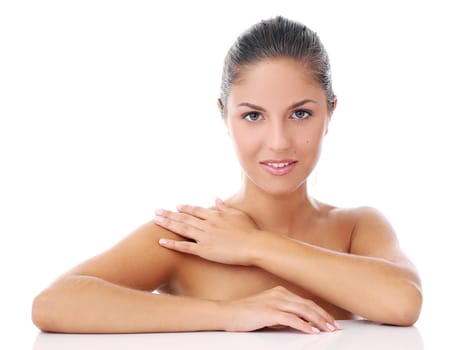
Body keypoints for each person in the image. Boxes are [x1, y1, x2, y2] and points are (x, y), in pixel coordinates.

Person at [31, 16, 422, 334]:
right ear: (224, 115)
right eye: (253, 116)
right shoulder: (192, 236)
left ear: (330, 112)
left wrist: (256, 245)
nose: (278, 142)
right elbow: (53, 303)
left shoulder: (356, 228)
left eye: (300, 113)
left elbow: (403, 301)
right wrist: (226, 313)